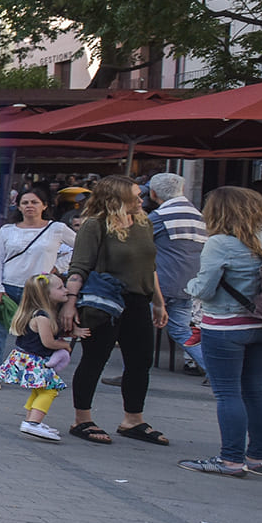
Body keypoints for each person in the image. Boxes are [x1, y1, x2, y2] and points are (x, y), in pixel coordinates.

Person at [179, 185, 262, 477]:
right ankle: (258, 458)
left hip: (226, 325)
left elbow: (204, 288)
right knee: (254, 390)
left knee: (228, 392)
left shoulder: (220, 242)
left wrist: (188, 287)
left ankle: (230, 459)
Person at [64, 174, 168, 449]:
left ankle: (133, 419)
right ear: (118, 198)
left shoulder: (143, 223)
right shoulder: (95, 225)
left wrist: (158, 301)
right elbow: (79, 266)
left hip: (138, 300)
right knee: (95, 358)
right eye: (136, 195)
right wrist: (70, 304)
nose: (142, 199)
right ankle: (81, 418)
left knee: (140, 360)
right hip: (105, 301)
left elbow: (150, 266)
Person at [0, 190, 74, 384]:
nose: (29, 206)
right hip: (8, 286)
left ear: (45, 205)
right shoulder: (7, 230)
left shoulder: (56, 228)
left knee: (39, 333)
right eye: (25, 202)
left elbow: (81, 247)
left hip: (39, 290)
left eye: (34, 202)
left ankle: (41, 372)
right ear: (19, 206)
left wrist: (59, 266)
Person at [0, 272, 76, 442]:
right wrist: (65, 345)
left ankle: (30, 419)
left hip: (28, 358)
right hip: (33, 360)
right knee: (50, 390)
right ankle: (33, 422)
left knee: (40, 389)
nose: (65, 290)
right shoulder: (42, 317)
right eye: (60, 287)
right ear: (46, 294)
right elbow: (48, 342)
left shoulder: (40, 314)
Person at [146, 172, 208, 377]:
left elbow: (139, 244)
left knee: (138, 327)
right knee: (182, 330)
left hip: (161, 284)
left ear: (153, 193)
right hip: (191, 283)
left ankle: (134, 372)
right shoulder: (198, 216)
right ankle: (217, 371)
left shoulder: (158, 217)